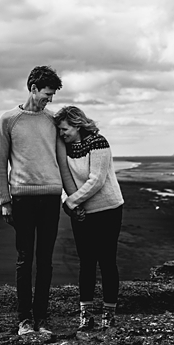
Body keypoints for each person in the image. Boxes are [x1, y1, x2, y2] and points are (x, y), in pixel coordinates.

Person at [0, 65, 69, 337]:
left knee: (46, 261)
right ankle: (24, 321)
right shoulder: (8, 120)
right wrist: (5, 200)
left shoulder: (52, 121)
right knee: (25, 260)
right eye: (47, 94)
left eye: (52, 95)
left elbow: (61, 162)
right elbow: (0, 163)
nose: (50, 99)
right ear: (33, 88)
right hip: (22, 200)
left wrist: (71, 197)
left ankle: (42, 319)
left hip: (50, 199)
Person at [55, 104, 125, 332]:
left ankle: (109, 314)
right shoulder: (65, 148)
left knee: (106, 261)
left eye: (64, 129)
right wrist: (74, 205)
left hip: (108, 210)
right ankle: (85, 315)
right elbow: (67, 178)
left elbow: (97, 179)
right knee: (86, 263)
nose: (62, 133)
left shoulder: (98, 142)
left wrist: (71, 202)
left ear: (77, 124)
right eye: (60, 130)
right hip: (82, 212)